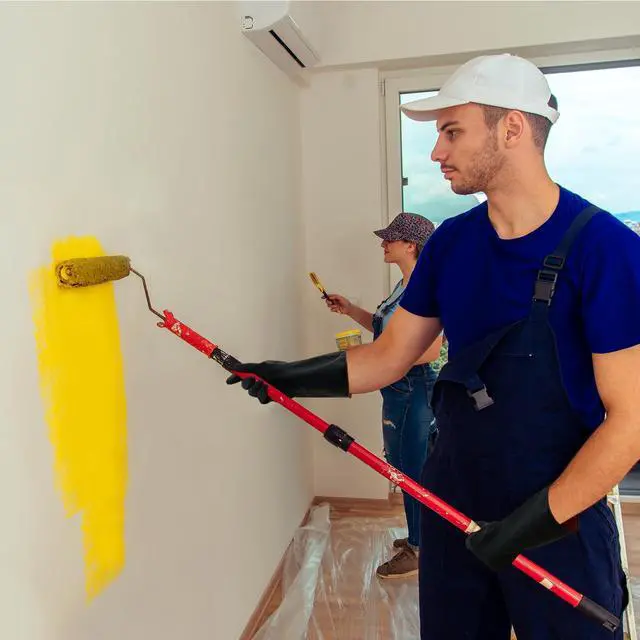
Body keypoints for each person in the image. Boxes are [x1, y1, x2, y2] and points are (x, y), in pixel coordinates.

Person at [227, 53, 640, 639]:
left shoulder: (607, 250)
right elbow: (390, 355)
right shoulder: (452, 243)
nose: (436, 152)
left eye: (452, 132)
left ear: (512, 128)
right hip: (453, 499)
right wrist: (287, 376)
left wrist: (530, 524)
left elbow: (631, 421)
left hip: (559, 514)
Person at [325, 212, 442, 579]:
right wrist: (350, 310)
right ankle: (417, 537)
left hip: (414, 388)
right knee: (402, 465)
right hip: (396, 388)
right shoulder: (403, 286)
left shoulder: (427, 288)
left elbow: (430, 351)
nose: (383, 244)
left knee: (412, 470)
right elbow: (383, 330)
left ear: (411, 245)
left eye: (390, 238)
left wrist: (379, 361)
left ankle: (420, 549)